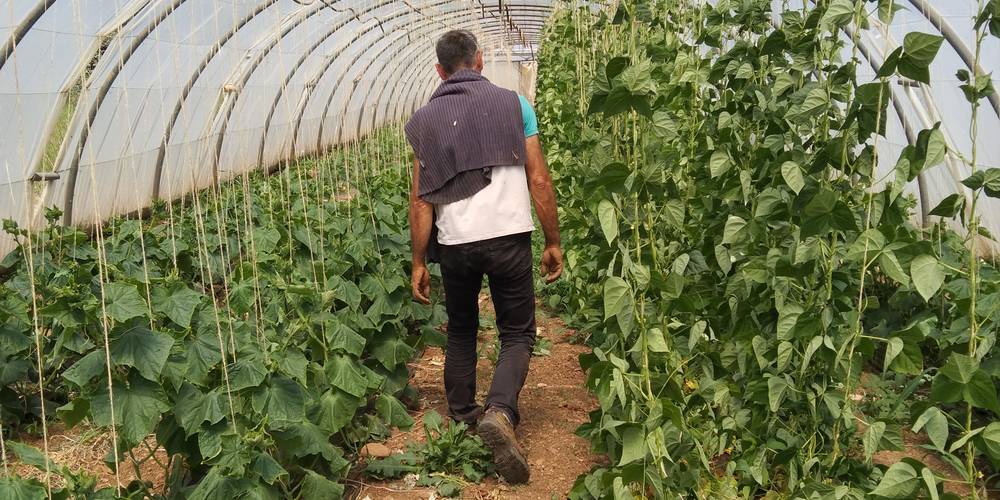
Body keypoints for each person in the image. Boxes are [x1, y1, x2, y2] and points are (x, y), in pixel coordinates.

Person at [404, 29, 562, 484]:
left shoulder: (426, 120)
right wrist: (553, 240)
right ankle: (500, 411)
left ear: (440, 71)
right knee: (516, 333)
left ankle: (462, 418)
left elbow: (420, 201)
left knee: (461, 331)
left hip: (455, 242)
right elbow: (539, 180)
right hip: (510, 237)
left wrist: (418, 261)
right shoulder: (515, 106)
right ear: (480, 62)